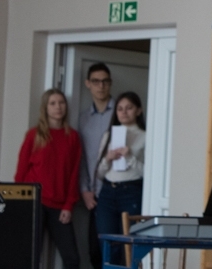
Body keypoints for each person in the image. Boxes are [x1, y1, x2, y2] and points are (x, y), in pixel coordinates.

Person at [15, 89, 82, 269]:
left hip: (60, 206)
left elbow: (74, 173)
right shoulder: (33, 135)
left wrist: (69, 205)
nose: (58, 107)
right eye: (53, 103)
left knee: (72, 258)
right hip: (34, 203)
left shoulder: (73, 137)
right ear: (45, 108)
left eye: (61, 103)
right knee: (29, 256)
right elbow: (21, 172)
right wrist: (20, 202)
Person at [94, 91, 146, 266]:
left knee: (129, 244)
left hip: (131, 191)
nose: (124, 112)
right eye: (120, 109)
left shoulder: (145, 136)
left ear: (138, 110)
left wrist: (130, 157)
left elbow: (148, 174)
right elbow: (99, 174)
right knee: (107, 243)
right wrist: (108, 159)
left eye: (129, 108)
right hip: (108, 191)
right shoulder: (108, 135)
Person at [79, 62, 115, 269]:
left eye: (105, 81)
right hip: (94, 193)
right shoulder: (83, 119)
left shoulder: (120, 112)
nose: (101, 86)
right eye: (96, 81)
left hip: (116, 189)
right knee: (95, 251)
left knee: (115, 251)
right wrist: (84, 189)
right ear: (88, 84)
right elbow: (82, 158)